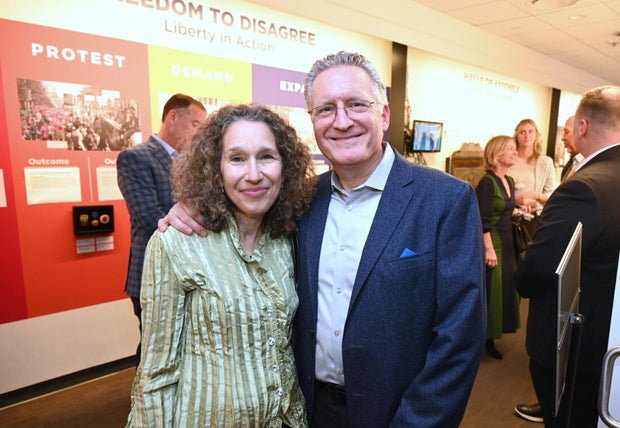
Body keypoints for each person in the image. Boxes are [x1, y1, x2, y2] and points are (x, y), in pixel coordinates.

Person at [161, 51, 486, 427]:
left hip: (399, 411)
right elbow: (240, 214)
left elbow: (459, 338)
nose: (342, 121)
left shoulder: (445, 200)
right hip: (310, 409)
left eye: (355, 105)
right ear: (313, 122)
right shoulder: (300, 200)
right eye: (326, 109)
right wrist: (190, 208)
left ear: (383, 114)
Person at [127, 104, 315, 427]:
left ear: (285, 168)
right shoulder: (177, 243)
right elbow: (156, 375)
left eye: (267, 156)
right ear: (215, 170)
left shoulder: (286, 240)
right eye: (237, 158)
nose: (253, 174)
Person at [515, 85, 620, 427]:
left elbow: (536, 272)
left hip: (574, 348)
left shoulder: (583, 187)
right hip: (608, 341)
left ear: (583, 127)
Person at [116, 93, 206, 365]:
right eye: (195, 125)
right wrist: (200, 230)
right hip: (153, 273)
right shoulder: (136, 158)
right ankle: (145, 405)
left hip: (192, 272)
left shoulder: (194, 163)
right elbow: (149, 216)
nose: (198, 133)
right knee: (155, 350)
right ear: (173, 117)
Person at [515, 114, 582, 424]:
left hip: (542, 230)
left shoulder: (553, 165)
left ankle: (552, 406)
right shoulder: (574, 163)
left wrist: (533, 199)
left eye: (567, 131)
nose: (565, 136)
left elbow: (553, 195)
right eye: (521, 131)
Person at [475, 136, 522, 360]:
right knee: (491, 293)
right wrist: (488, 249)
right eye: (510, 149)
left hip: (508, 241)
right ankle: (484, 339)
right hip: (493, 242)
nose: (515, 152)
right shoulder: (488, 182)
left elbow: (507, 209)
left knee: (503, 291)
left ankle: (491, 337)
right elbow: (482, 219)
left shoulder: (509, 180)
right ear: (497, 154)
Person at [508, 118, 557, 237]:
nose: (527, 135)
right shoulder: (509, 158)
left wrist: (536, 196)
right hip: (508, 214)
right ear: (516, 136)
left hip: (532, 216)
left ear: (536, 135)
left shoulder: (545, 162)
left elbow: (553, 194)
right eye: (522, 132)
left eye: (531, 131)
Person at [560, 115, 584, 182]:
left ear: (581, 130)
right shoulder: (568, 166)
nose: (562, 138)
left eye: (566, 132)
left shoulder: (591, 166)